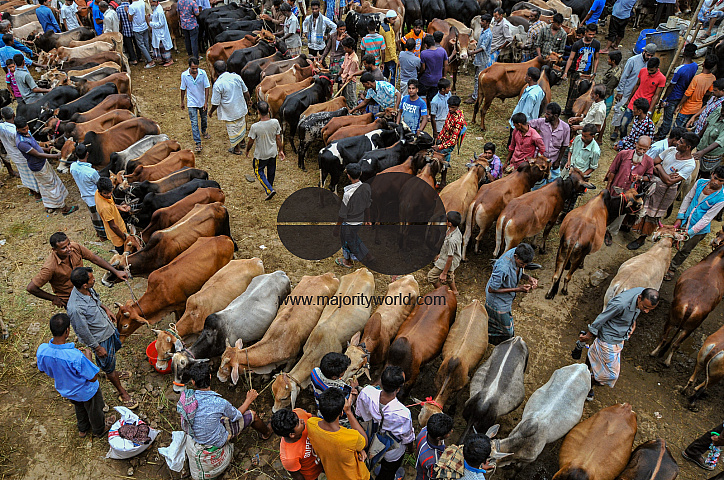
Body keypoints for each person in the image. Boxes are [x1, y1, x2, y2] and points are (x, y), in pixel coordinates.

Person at [178, 362, 272, 480]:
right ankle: (267, 433)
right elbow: (236, 415)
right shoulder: (219, 402)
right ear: (210, 377)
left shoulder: (186, 398)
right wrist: (249, 399)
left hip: (197, 437)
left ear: (193, 382)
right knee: (252, 415)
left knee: (218, 418)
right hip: (216, 439)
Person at [67, 266, 138, 409]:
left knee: (111, 358)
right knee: (108, 365)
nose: (95, 280)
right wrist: (97, 348)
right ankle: (122, 392)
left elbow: (96, 302)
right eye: (92, 279)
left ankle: (111, 371)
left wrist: (106, 309)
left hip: (109, 330)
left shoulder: (87, 290)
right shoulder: (75, 308)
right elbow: (82, 331)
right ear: (84, 284)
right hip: (100, 340)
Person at [578, 288, 659, 399]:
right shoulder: (620, 304)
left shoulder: (642, 293)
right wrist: (589, 335)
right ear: (639, 298)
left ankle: (585, 372)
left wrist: (633, 321)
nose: (646, 312)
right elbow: (602, 317)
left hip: (620, 336)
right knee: (611, 375)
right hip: (608, 338)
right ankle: (586, 384)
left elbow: (638, 310)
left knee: (595, 354)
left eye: (650, 309)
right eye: (645, 308)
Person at [37, 313, 108, 438]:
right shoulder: (75, 356)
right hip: (86, 391)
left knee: (79, 407)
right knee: (94, 410)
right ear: (67, 331)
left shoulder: (42, 350)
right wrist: (88, 358)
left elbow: (42, 370)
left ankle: (83, 429)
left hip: (67, 390)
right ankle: (99, 430)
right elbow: (93, 378)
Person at [627, 132, 699, 250]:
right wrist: (663, 172)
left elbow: (669, 182)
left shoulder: (689, 164)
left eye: (681, 142)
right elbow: (654, 164)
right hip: (651, 186)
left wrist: (659, 168)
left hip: (665, 193)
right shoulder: (670, 151)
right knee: (641, 207)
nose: (677, 143)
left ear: (688, 147)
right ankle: (632, 226)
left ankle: (642, 238)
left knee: (653, 215)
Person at [27, 232, 128, 308]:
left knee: (97, 310)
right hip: (71, 299)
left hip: (86, 289)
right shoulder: (50, 267)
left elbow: (95, 259)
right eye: (63, 248)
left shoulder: (75, 248)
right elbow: (31, 288)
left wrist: (116, 272)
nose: (69, 249)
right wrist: (54, 298)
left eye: (68, 244)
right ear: (54, 250)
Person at [355, 366, 415, 479]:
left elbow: (359, 413)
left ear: (381, 382)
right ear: (398, 389)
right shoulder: (403, 413)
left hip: (368, 437)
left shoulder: (366, 392)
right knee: (388, 470)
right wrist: (411, 449)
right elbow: (407, 437)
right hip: (392, 450)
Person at [666, 166, 724, 280]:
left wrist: (690, 232)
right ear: (712, 174)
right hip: (685, 219)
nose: (716, 182)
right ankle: (662, 261)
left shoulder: (721, 197)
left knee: (685, 249)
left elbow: (707, 218)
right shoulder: (700, 182)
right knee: (670, 240)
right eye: (715, 178)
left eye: (721, 181)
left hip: (698, 229)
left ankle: (672, 268)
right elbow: (688, 198)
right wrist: (680, 216)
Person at [15, 117, 76, 215]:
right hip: (38, 166)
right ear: (17, 129)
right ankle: (64, 208)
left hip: (42, 163)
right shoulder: (21, 142)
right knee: (51, 186)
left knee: (45, 185)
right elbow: (37, 154)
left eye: (27, 128)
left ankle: (49, 205)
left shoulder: (27, 134)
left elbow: (36, 146)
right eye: (23, 129)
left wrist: (46, 149)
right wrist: (55, 155)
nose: (26, 130)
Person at [306, 387, 369, 480]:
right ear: (341, 413)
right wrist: (349, 412)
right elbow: (365, 442)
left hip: (332, 475)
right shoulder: (352, 437)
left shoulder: (311, 423)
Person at [604, 135, 653, 244]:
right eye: (639, 148)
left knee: (621, 213)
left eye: (644, 149)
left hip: (629, 194)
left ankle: (610, 232)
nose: (641, 151)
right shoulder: (623, 154)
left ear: (649, 148)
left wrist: (640, 177)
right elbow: (612, 170)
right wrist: (608, 187)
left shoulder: (649, 161)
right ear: (636, 144)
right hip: (615, 188)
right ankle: (601, 227)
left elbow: (649, 177)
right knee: (607, 208)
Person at [486, 243, 537, 345]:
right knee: (508, 333)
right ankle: (489, 340)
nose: (523, 266)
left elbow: (519, 271)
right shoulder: (503, 267)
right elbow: (491, 289)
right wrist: (518, 289)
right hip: (497, 301)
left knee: (493, 323)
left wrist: (528, 278)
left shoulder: (517, 250)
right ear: (515, 257)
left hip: (506, 299)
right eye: (522, 264)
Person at [610, 44, 656, 141]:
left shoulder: (651, 64)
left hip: (638, 93)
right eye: (648, 55)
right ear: (644, 52)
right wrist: (620, 91)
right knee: (620, 110)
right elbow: (624, 76)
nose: (649, 57)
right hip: (627, 90)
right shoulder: (632, 61)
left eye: (652, 56)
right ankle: (616, 130)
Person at [334, 163, 373, 268]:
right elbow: (367, 205)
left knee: (345, 241)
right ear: (360, 173)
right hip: (359, 220)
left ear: (348, 176)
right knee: (354, 237)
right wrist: (368, 219)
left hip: (349, 222)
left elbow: (343, 212)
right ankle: (368, 255)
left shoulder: (348, 194)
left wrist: (337, 227)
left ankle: (348, 261)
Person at [655, 44, 697, 139]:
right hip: (682, 95)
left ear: (684, 52)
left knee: (667, 119)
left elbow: (671, 86)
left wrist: (664, 98)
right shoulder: (694, 66)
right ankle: (661, 133)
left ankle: (662, 136)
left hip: (673, 96)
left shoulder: (679, 69)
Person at [209, 60, 251, 155]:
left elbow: (216, 102)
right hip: (240, 106)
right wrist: (248, 100)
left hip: (229, 111)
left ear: (215, 71)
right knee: (241, 124)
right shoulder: (236, 77)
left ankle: (236, 149)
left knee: (232, 128)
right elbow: (246, 91)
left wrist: (211, 111)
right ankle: (243, 142)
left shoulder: (218, 84)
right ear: (226, 68)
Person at [272, 408, 325, 480]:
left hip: (324, 460)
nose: (302, 420)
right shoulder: (289, 457)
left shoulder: (298, 413)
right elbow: (298, 477)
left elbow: (313, 418)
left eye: (298, 418)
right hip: (312, 475)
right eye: (298, 423)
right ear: (292, 435)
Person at [246, 100, 284, 197]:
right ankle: (270, 186)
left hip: (261, 155)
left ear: (258, 111)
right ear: (269, 110)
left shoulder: (255, 127)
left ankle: (269, 189)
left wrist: (247, 150)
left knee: (258, 171)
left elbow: (251, 141)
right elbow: (278, 137)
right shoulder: (275, 122)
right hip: (272, 152)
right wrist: (281, 150)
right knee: (271, 171)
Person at [562, 23, 600, 117]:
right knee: (572, 91)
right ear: (585, 32)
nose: (591, 36)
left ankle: (578, 111)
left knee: (583, 92)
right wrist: (566, 72)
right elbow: (571, 58)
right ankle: (568, 110)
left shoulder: (596, 44)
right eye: (589, 34)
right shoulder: (577, 44)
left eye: (593, 35)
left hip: (587, 73)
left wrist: (594, 72)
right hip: (576, 72)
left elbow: (596, 58)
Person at [70, 144, 106, 240]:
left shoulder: (73, 166)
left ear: (76, 155)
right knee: (100, 217)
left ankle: (99, 232)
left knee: (93, 216)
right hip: (94, 197)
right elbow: (99, 182)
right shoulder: (91, 172)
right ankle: (103, 235)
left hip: (85, 196)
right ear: (87, 154)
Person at [529, 102, 570, 186]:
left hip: (553, 161)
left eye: (548, 114)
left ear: (555, 116)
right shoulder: (541, 122)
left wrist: (558, 161)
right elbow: (527, 125)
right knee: (537, 186)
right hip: (540, 160)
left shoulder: (565, 128)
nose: (545, 115)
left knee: (553, 186)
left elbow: (564, 146)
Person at [675, 54, 717, 133]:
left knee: (677, 129)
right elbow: (709, 92)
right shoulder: (712, 78)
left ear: (703, 63)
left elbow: (688, 94)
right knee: (687, 130)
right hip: (697, 108)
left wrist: (679, 105)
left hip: (687, 108)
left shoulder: (697, 78)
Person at [621, 57, 665, 130]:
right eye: (648, 69)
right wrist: (629, 99)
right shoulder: (643, 71)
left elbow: (656, 96)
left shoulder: (661, 78)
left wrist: (650, 111)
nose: (649, 72)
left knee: (640, 128)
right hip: (634, 101)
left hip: (645, 106)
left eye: (651, 70)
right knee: (623, 124)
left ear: (657, 67)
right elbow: (637, 85)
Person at [0, 107, 35, 195]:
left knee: (24, 175)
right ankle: (36, 193)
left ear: (2, 116)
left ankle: (31, 190)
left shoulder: (1, 127)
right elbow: (29, 143)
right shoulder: (17, 131)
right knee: (32, 174)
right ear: (14, 115)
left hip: (14, 155)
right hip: (24, 154)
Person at [427, 211, 462, 295]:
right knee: (450, 275)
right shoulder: (453, 230)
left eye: (446, 219)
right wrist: (441, 254)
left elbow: (450, 257)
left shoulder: (452, 240)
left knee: (431, 276)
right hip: (448, 256)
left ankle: (442, 293)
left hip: (450, 259)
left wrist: (443, 273)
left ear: (449, 223)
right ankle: (455, 291)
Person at [180, 57, 211, 152]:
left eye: (196, 68)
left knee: (204, 118)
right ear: (189, 67)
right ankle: (198, 143)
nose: (194, 70)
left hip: (202, 101)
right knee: (194, 123)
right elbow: (183, 88)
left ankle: (204, 130)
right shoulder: (184, 75)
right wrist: (182, 101)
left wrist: (206, 102)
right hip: (191, 102)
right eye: (193, 68)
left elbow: (207, 87)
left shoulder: (203, 73)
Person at [435, 95, 467, 186]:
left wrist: (439, 146)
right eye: (449, 106)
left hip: (449, 143)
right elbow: (445, 127)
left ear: (457, 107)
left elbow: (453, 141)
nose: (450, 109)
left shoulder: (459, 120)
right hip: (444, 139)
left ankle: (443, 182)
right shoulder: (450, 113)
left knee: (444, 159)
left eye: (452, 107)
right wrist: (439, 138)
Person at [95, 177, 130, 253]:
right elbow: (113, 226)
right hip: (118, 234)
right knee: (121, 251)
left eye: (110, 191)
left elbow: (111, 205)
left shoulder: (97, 193)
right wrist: (125, 237)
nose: (109, 194)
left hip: (119, 226)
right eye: (106, 193)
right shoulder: (105, 208)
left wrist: (119, 207)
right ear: (101, 192)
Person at [415, 413, 454, 480]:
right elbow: (434, 477)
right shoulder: (433, 461)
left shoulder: (425, 430)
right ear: (439, 438)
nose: (451, 431)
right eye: (448, 432)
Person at [467, 14, 491, 105]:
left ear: (487, 23)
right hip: (478, 58)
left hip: (482, 59)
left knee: (478, 78)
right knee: (476, 77)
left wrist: (472, 52)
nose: (481, 23)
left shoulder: (488, 34)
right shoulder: (483, 31)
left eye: (483, 21)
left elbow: (482, 48)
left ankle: (475, 98)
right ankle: (475, 93)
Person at [419, 33, 448, 106]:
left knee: (423, 96)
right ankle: (432, 112)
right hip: (437, 79)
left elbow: (423, 68)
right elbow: (446, 64)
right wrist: (444, 76)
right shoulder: (442, 51)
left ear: (426, 45)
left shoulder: (423, 53)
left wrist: (419, 74)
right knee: (433, 98)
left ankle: (425, 112)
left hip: (426, 79)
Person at [695, 104, 724, 177]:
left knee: (705, 173)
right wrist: (697, 138)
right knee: (695, 170)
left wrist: (702, 152)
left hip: (712, 154)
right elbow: (707, 124)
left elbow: (718, 142)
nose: (722, 111)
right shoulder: (718, 110)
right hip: (702, 145)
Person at [128, 0, 155, 68]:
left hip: (137, 28)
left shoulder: (132, 7)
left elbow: (130, 19)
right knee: (146, 43)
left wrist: (127, 12)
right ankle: (148, 57)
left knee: (141, 45)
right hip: (144, 25)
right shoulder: (142, 3)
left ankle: (150, 61)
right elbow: (145, 14)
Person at [149, 0, 173, 66]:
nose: (151, 4)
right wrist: (150, 16)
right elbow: (155, 17)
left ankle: (169, 60)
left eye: (152, 2)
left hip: (161, 33)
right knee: (160, 47)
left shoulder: (159, 11)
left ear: (156, 2)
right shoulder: (156, 9)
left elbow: (161, 23)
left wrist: (150, 24)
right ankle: (164, 59)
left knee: (164, 47)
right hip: (158, 33)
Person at [117, 0, 141, 65]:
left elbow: (119, 21)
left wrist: (120, 30)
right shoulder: (132, 6)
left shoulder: (119, 8)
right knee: (137, 43)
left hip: (126, 30)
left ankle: (133, 59)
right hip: (134, 28)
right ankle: (140, 57)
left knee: (129, 45)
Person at [601, 50, 622, 116]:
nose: (607, 60)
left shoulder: (613, 75)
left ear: (613, 61)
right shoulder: (617, 69)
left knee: (602, 116)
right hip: (607, 94)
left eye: (609, 59)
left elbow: (608, 88)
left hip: (606, 96)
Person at [340, 36, 359, 110]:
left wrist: (344, 81)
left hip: (350, 81)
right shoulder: (346, 55)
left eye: (345, 48)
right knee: (345, 97)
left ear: (350, 47)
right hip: (344, 79)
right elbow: (343, 66)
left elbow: (350, 74)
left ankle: (353, 110)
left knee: (351, 97)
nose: (344, 49)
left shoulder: (354, 60)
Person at [380, 10, 398, 85]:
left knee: (385, 75)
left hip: (385, 56)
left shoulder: (383, 26)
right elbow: (390, 45)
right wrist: (395, 58)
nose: (394, 21)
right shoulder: (387, 30)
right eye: (393, 19)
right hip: (390, 57)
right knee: (393, 76)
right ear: (388, 19)